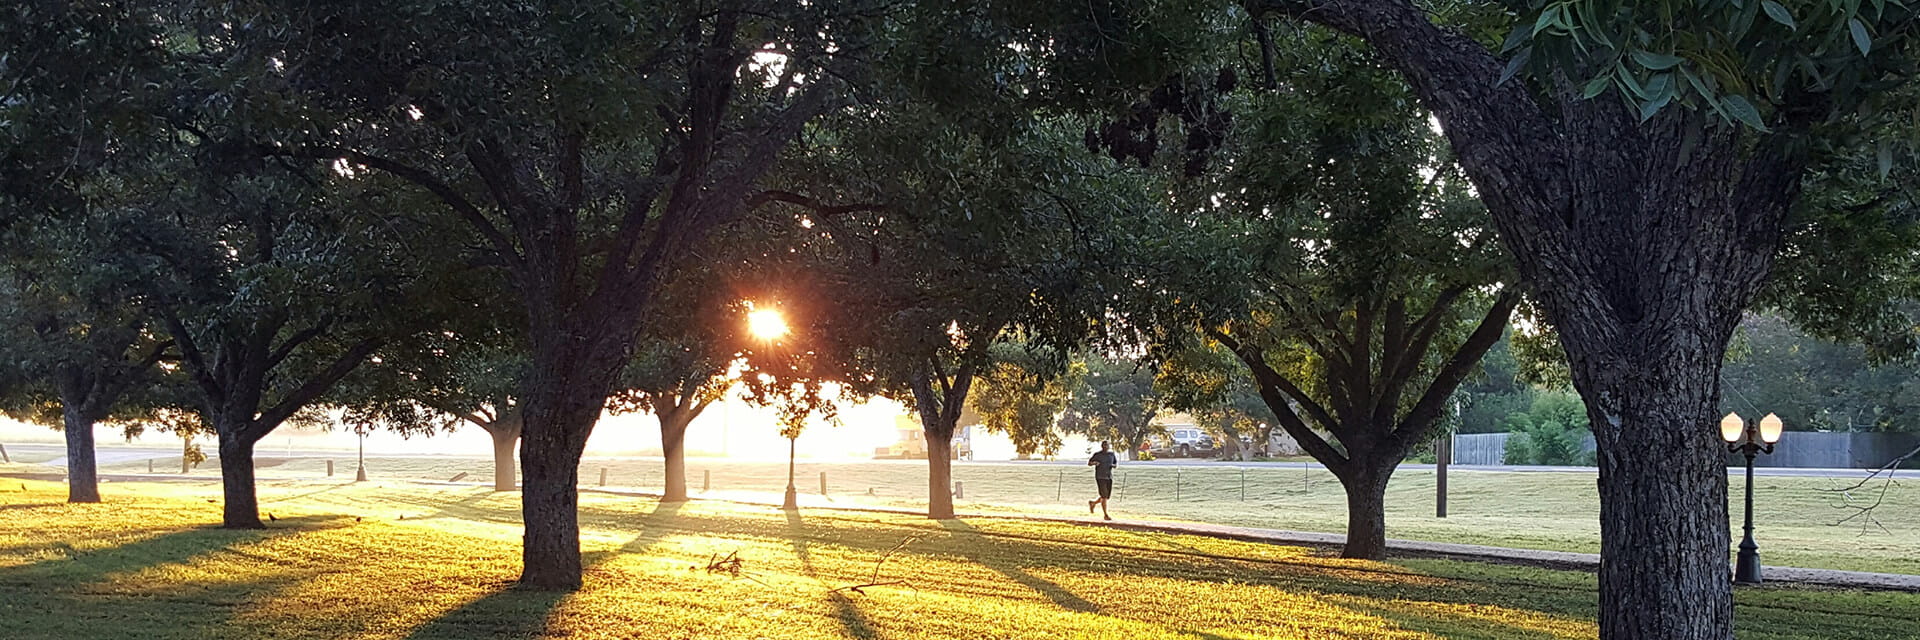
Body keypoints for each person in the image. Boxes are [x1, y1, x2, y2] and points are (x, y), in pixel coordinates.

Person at [1087, 441, 1118, 520]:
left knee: (1106, 497)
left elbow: (1115, 464)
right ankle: (1105, 515)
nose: (1105, 447)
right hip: (1100, 477)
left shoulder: (1111, 455)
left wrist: (1113, 466)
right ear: (1102, 446)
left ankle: (1093, 503)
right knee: (1104, 496)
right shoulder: (1097, 455)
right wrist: (1095, 463)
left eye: (1107, 445)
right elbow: (1089, 463)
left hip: (1109, 477)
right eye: (1104, 445)